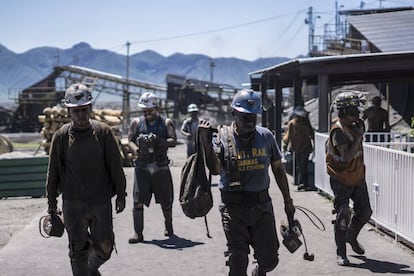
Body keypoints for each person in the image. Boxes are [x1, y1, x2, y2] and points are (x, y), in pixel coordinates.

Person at [199, 89, 296, 276]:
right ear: (234, 114)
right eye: (245, 117)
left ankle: (259, 271)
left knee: (269, 260)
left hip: (262, 208)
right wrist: (205, 144)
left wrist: (288, 201)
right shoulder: (222, 138)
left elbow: (278, 169)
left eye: (254, 117)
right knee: (237, 262)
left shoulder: (266, 136)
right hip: (233, 210)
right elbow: (216, 170)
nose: (250, 121)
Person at [46, 83, 127, 276]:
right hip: (73, 204)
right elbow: (53, 172)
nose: (81, 115)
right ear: (68, 112)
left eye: (84, 110)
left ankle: (90, 269)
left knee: (105, 247)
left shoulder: (103, 132)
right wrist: (51, 204)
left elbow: (116, 167)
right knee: (77, 251)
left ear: (90, 108)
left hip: (100, 201)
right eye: (76, 111)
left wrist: (121, 194)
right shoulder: (61, 136)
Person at [326, 91, 373, 266]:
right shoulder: (338, 130)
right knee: (343, 215)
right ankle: (341, 253)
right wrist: (359, 135)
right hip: (341, 179)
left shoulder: (354, 126)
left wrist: (359, 130)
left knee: (365, 211)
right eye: (354, 112)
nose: (357, 116)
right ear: (344, 112)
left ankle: (351, 236)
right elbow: (345, 157)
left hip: (357, 177)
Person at [128, 92, 177, 243]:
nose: (146, 113)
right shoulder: (136, 122)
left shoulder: (166, 123)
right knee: (138, 200)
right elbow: (129, 140)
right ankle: (138, 233)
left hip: (161, 166)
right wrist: (137, 149)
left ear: (157, 109)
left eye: (149, 110)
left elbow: (173, 140)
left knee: (166, 199)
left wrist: (160, 142)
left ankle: (168, 226)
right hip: (142, 166)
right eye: (144, 111)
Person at [282, 106, 315, 191]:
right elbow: (287, 136)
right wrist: (285, 146)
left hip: (305, 148)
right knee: (299, 165)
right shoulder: (292, 123)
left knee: (302, 165)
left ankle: (303, 183)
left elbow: (311, 133)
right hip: (297, 148)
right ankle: (302, 183)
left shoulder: (305, 123)